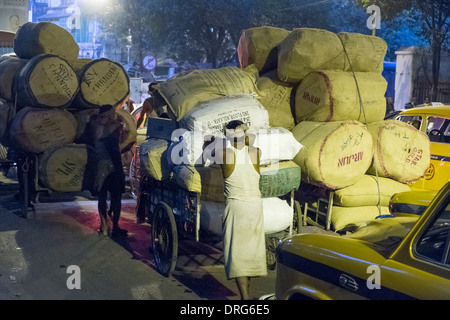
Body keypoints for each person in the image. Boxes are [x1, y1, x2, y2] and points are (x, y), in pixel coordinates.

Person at [217, 120, 267, 300]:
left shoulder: (223, 154)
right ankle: (247, 295)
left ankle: (245, 297)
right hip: (255, 206)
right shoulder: (256, 152)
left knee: (237, 252)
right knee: (250, 251)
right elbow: (248, 144)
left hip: (237, 207)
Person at [84, 105, 127, 237]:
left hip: (105, 164)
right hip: (110, 163)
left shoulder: (95, 124)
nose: (113, 115)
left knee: (109, 196)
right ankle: (110, 226)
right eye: (111, 113)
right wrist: (104, 121)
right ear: (105, 114)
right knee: (111, 196)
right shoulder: (113, 126)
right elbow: (100, 135)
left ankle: (107, 225)